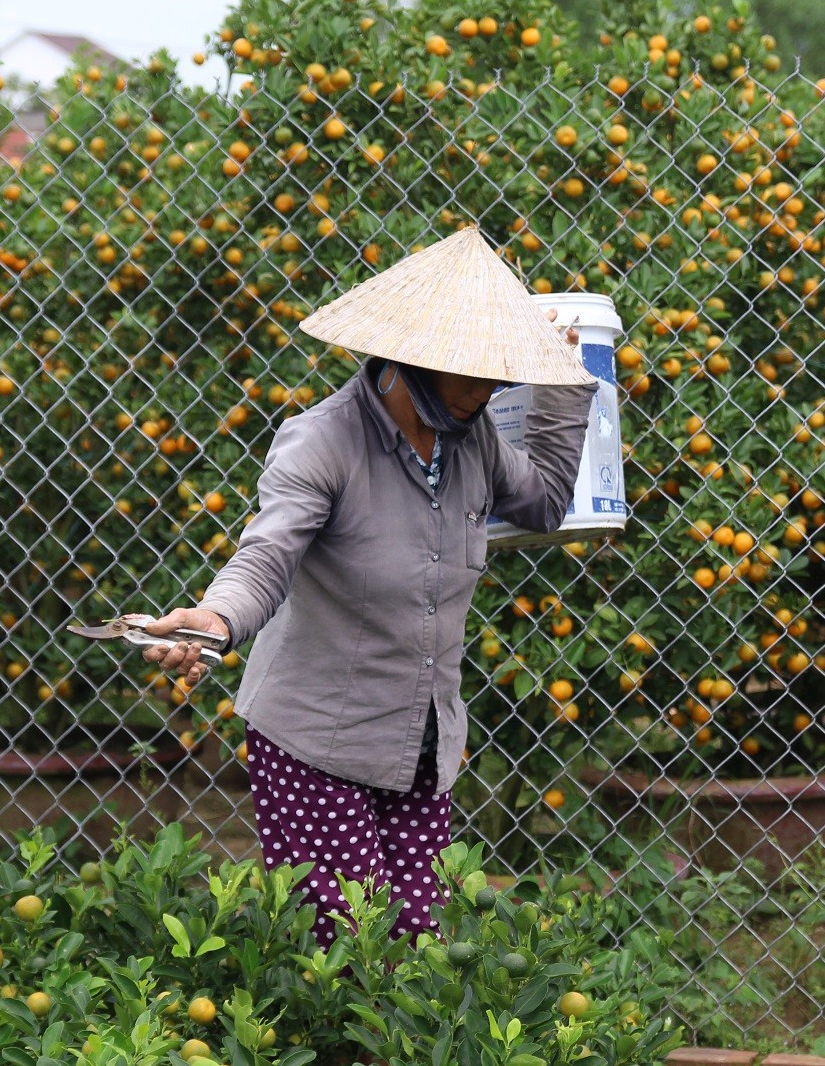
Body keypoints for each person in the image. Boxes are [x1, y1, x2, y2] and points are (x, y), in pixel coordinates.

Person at [142, 226, 598, 949]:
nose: (487, 392)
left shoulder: (471, 440)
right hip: (315, 745)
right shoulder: (323, 442)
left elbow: (543, 503)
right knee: (351, 950)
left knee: (416, 947)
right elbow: (266, 556)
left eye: (496, 377)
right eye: (471, 375)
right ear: (411, 361)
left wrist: (568, 386)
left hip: (419, 745)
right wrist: (214, 620)